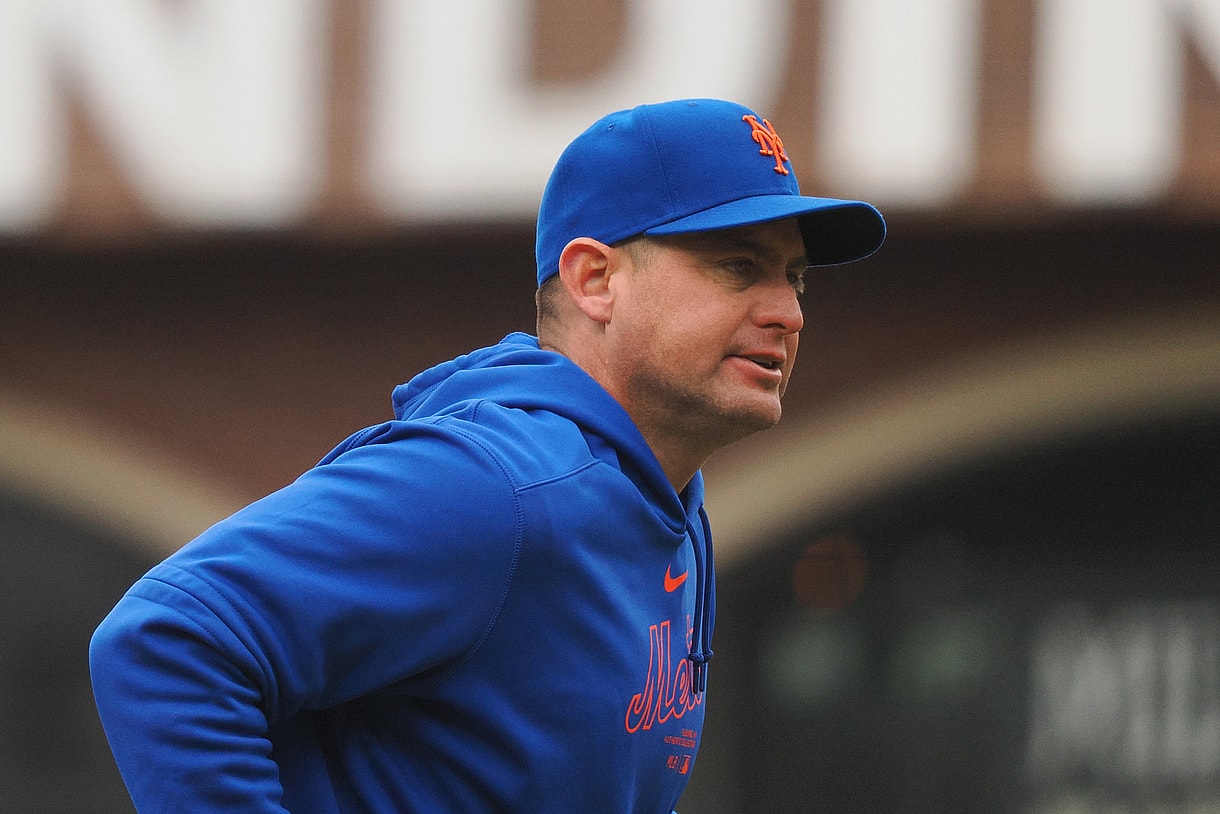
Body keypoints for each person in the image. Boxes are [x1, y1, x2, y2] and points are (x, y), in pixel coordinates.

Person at [89, 98, 885, 813]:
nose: (786, 312)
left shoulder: (674, 505)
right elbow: (166, 639)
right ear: (595, 280)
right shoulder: (497, 485)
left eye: (796, 278)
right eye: (738, 266)